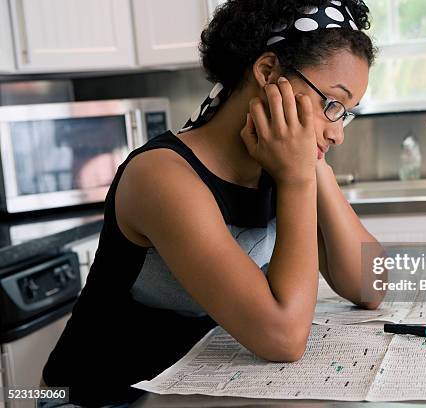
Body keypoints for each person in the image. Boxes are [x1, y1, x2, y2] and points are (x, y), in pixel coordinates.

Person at [40, 0, 382, 406]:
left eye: (346, 113)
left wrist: (312, 168)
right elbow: (284, 337)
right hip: (100, 396)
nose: (338, 133)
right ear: (268, 72)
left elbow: (370, 285)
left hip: (188, 387)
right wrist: (298, 176)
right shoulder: (162, 177)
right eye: (331, 104)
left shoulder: (281, 164)